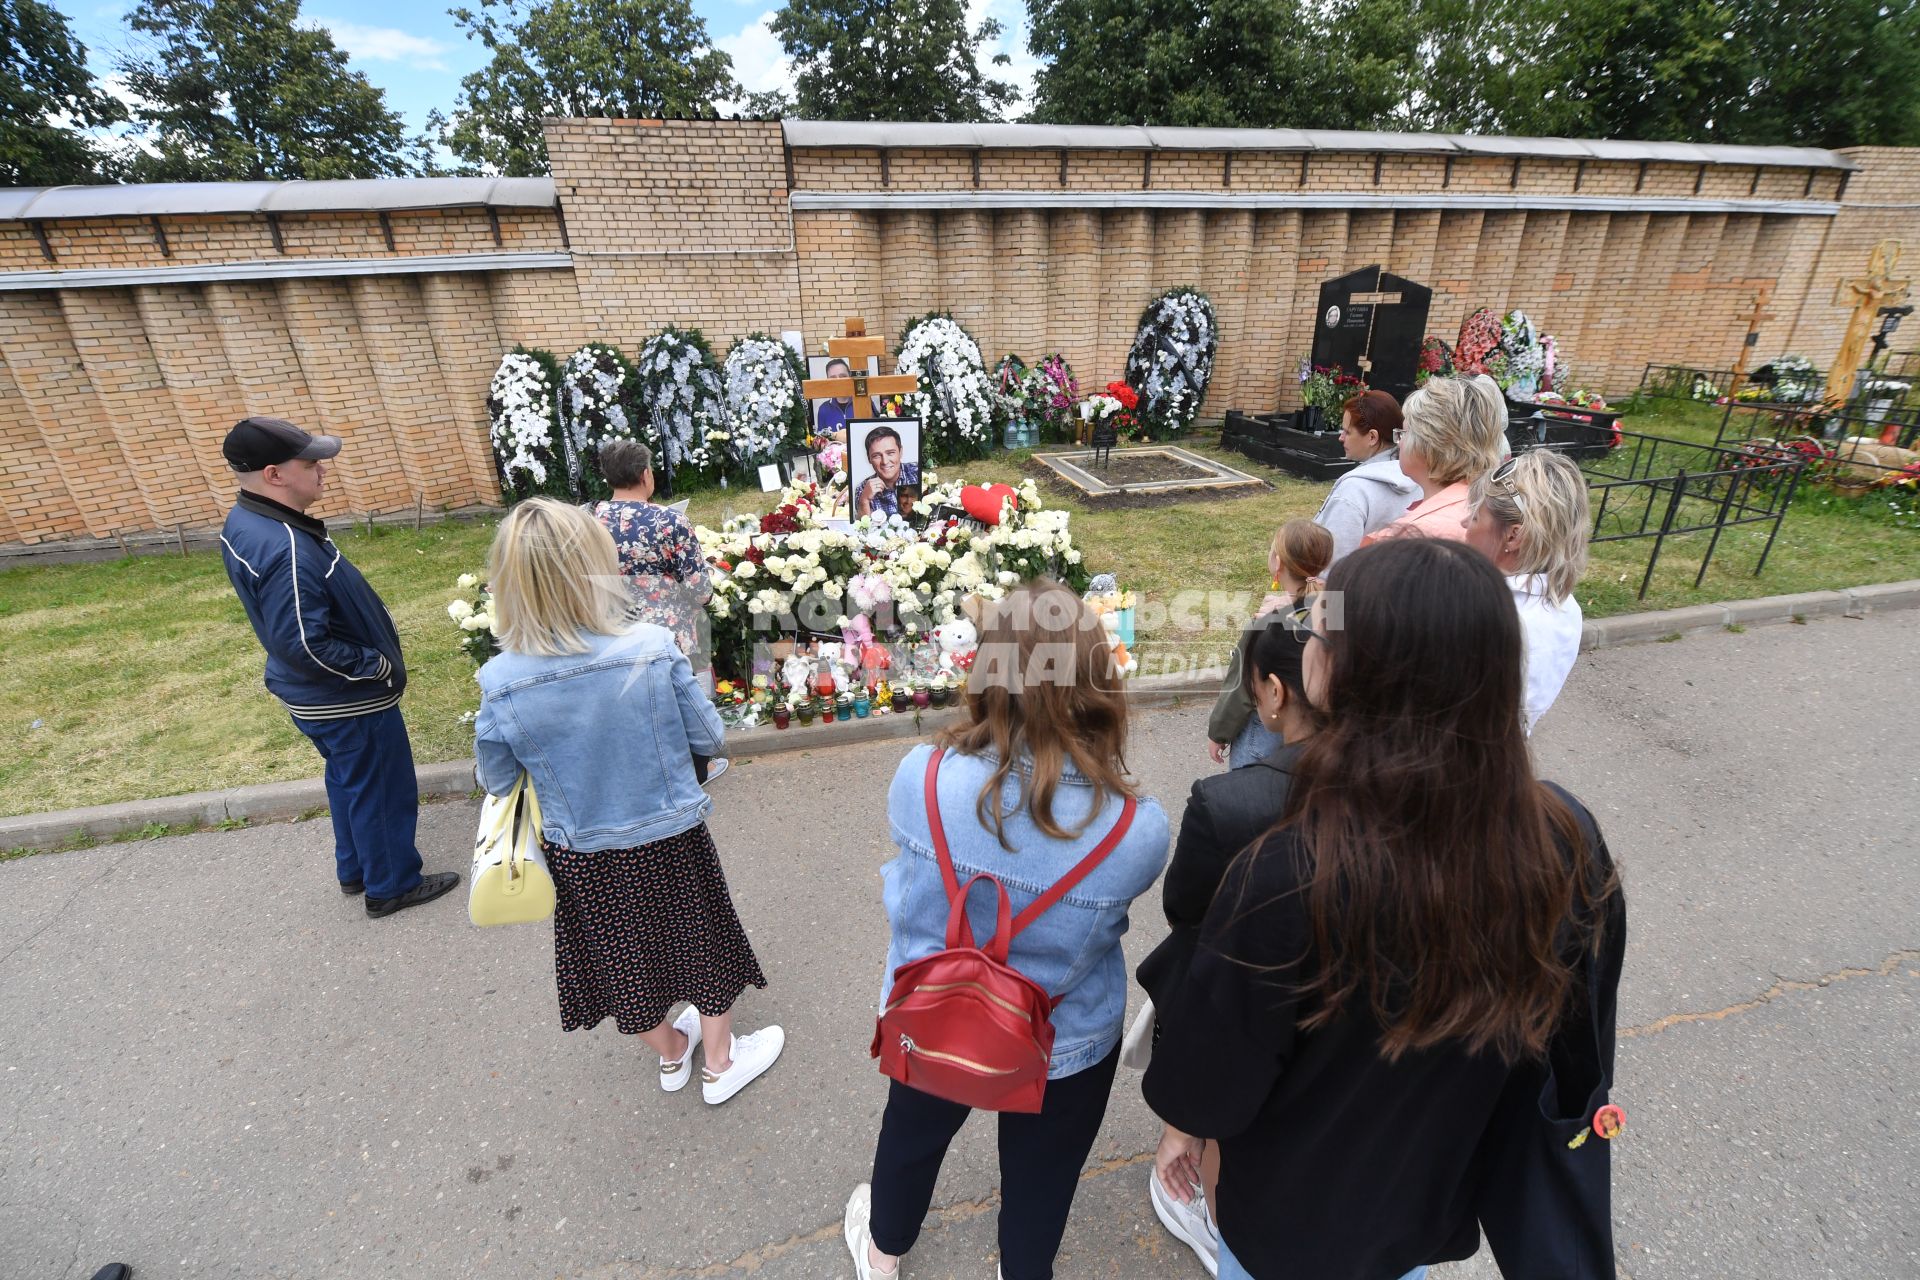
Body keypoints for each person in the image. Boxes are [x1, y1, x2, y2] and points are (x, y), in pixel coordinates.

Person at [1144, 538, 1625, 1280]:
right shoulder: (1563, 837)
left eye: (1323, 630)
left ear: (1344, 674)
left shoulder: (1289, 868)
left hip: (1287, 1222)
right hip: (1428, 1197)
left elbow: (1211, 1080)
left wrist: (1185, 1132)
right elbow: (1577, 1040)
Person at [844, 580, 1171, 1280]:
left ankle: (884, 1250)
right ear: (1097, 678)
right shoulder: (1136, 827)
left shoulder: (922, 775)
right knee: (1043, 1179)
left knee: (910, 1138)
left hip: (935, 1011)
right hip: (1062, 1036)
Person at [474, 499, 783, 1106]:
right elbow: (709, 738)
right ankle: (719, 1061)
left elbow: (497, 774)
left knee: (617, 956)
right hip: (668, 832)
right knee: (701, 938)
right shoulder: (650, 645)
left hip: (582, 847)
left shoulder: (501, 679)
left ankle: (671, 1051)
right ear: (594, 566)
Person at [1138, 607, 1323, 1276]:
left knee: (1238, 1136)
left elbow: (1185, 907)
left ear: (1273, 693)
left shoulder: (1231, 806)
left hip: (1242, 1015)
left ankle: (1210, 1214)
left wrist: (1184, 1121)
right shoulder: (1413, 783)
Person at [217, 416, 459, 918]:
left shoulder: (247, 522)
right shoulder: (284, 546)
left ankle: (356, 869)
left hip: (315, 702)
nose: (324, 470)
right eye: (311, 462)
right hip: (347, 702)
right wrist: (373, 666)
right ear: (274, 475)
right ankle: (391, 885)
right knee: (383, 789)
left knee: (350, 781)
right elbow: (305, 644)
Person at [593, 438, 727, 785]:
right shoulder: (669, 520)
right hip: (666, 630)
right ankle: (698, 769)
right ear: (645, 474)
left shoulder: (586, 519)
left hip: (607, 626)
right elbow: (699, 589)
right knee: (678, 699)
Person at [1463, 450, 1591, 734]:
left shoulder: (1487, 617)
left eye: (1474, 517)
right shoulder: (1566, 607)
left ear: (1514, 536)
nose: (1463, 524)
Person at [1205, 520, 1332, 769]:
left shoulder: (1267, 623)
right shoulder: (1336, 607)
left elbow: (1242, 685)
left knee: (1249, 791)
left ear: (1278, 562)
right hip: (1321, 729)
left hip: (1265, 729)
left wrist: (1218, 732)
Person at [1363, 374, 1508, 547]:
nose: (1399, 443)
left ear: (1429, 443)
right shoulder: (1486, 509)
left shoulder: (1411, 536)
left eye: (1404, 433)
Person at [1311, 389, 1417, 563]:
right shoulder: (1418, 479)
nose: (1341, 437)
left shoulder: (1354, 491)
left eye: (1347, 432)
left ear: (1372, 437)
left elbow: (1329, 564)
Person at [853, 424, 921, 519]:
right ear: (869, 459)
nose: (885, 461)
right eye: (877, 455)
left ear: (900, 452)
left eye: (890, 453)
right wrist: (864, 501)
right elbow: (863, 529)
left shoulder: (918, 472)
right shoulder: (862, 489)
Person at [818, 357, 857, 435]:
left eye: (843, 376)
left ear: (850, 377)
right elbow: (822, 441)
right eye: (833, 377)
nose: (838, 381)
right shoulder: (823, 409)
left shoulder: (864, 403)